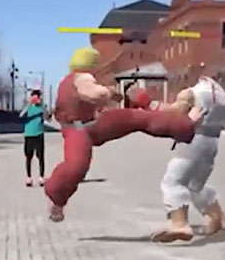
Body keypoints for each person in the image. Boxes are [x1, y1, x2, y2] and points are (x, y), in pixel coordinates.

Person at [44, 47, 204, 222]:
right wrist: (109, 93)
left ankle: (183, 125)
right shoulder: (80, 78)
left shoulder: (77, 80)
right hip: (77, 131)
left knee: (137, 118)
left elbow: (96, 93)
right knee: (76, 166)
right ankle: (56, 197)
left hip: (96, 123)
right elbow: (94, 93)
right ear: (90, 65)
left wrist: (118, 95)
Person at [145, 65, 225, 243]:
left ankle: (179, 224)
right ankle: (218, 218)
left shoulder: (193, 92)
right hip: (212, 142)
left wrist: (148, 103)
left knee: (173, 182)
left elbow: (174, 111)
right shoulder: (224, 96)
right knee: (196, 186)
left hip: (193, 140)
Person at [19, 90, 48, 187]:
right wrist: (29, 104)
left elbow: (47, 117)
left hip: (39, 134)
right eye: (34, 97)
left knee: (41, 156)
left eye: (37, 97)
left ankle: (41, 177)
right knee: (28, 156)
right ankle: (29, 177)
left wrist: (42, 106)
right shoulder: (28, 107)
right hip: (28, 134)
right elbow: (21, 115)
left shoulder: (42, 107)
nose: (35, 99)